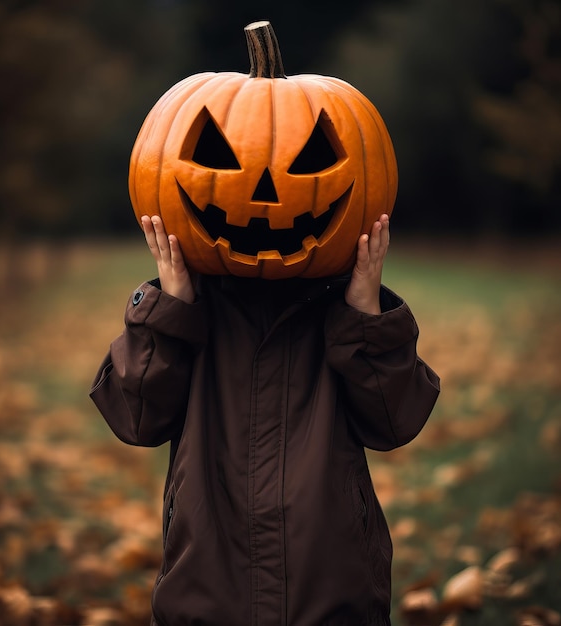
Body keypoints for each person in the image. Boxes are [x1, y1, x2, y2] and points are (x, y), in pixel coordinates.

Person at [90, 213, 440, 626]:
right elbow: (138, 418)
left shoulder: (344, 309)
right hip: (203, 591)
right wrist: (170, 310)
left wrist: (366, 312)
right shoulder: (187, 310)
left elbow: (393, 420)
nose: (267, 192)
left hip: (332, 595)